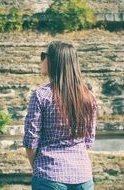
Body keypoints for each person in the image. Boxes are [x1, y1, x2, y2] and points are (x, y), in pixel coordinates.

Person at [23, 41, 98, 190]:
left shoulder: (41, 96)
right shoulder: (88, 97)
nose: (41, 60)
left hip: (49, 175)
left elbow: (31, 142)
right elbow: (88, 141)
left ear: (52, 61)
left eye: (43, 56)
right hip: (83, 176)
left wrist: (38, 169)